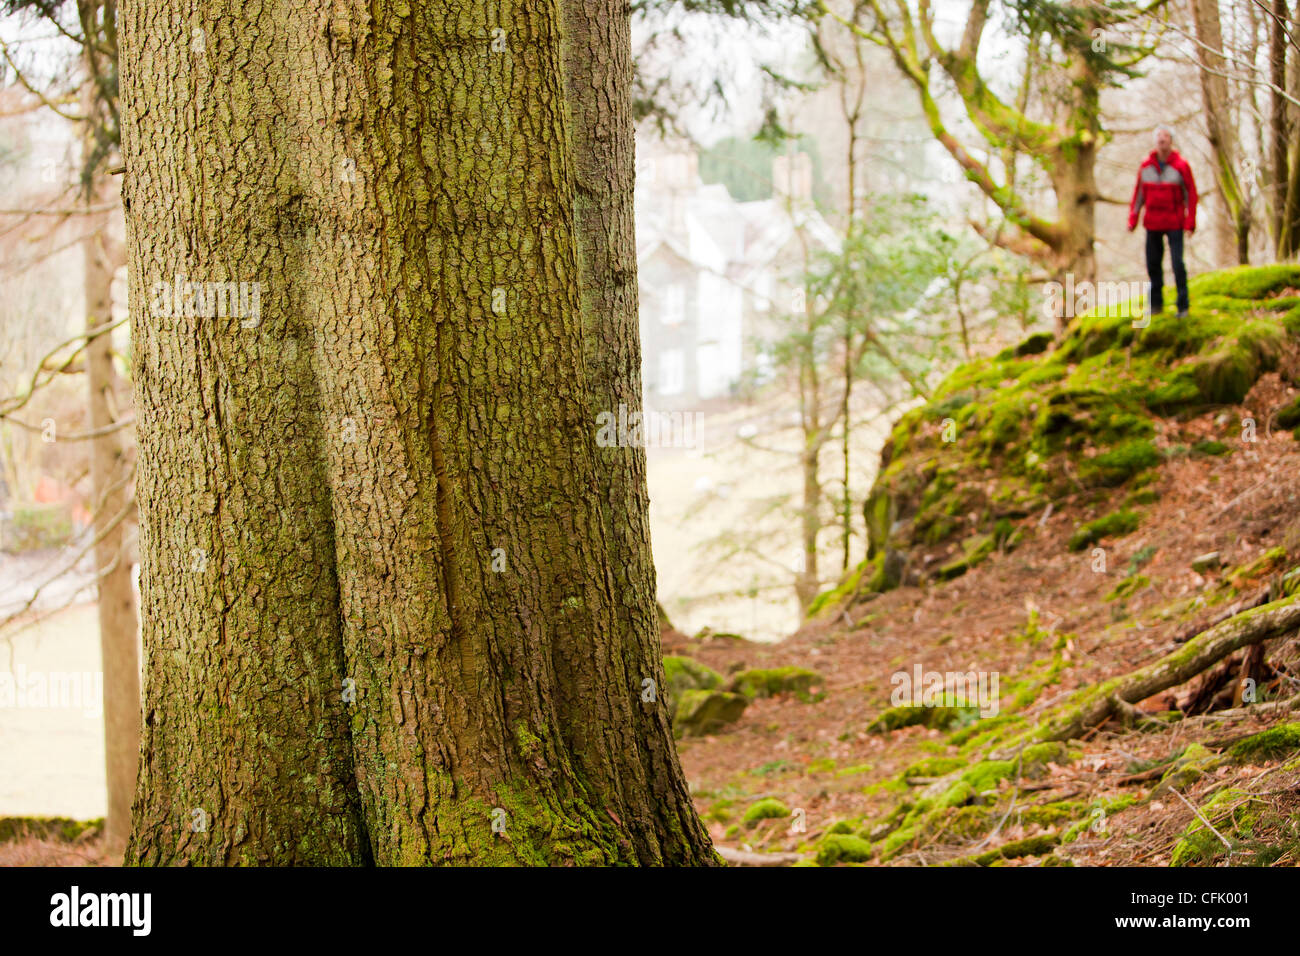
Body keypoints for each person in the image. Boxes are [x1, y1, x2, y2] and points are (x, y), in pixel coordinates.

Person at [1128, 125, 1197, 317]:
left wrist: (1190, 222)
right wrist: (1132, 220)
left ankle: (1183, 305)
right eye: (1159, 136)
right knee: (1153, 264)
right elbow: (1138, 195)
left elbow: (1191, 195)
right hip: (1152, 223)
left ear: (1171, 140)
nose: (1162, 139)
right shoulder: (1146, 167)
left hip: (1175, 223)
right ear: (1155, 140)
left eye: (1166, 136)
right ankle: (1156, 305)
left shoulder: (1181, 166)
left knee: (1177, 264)